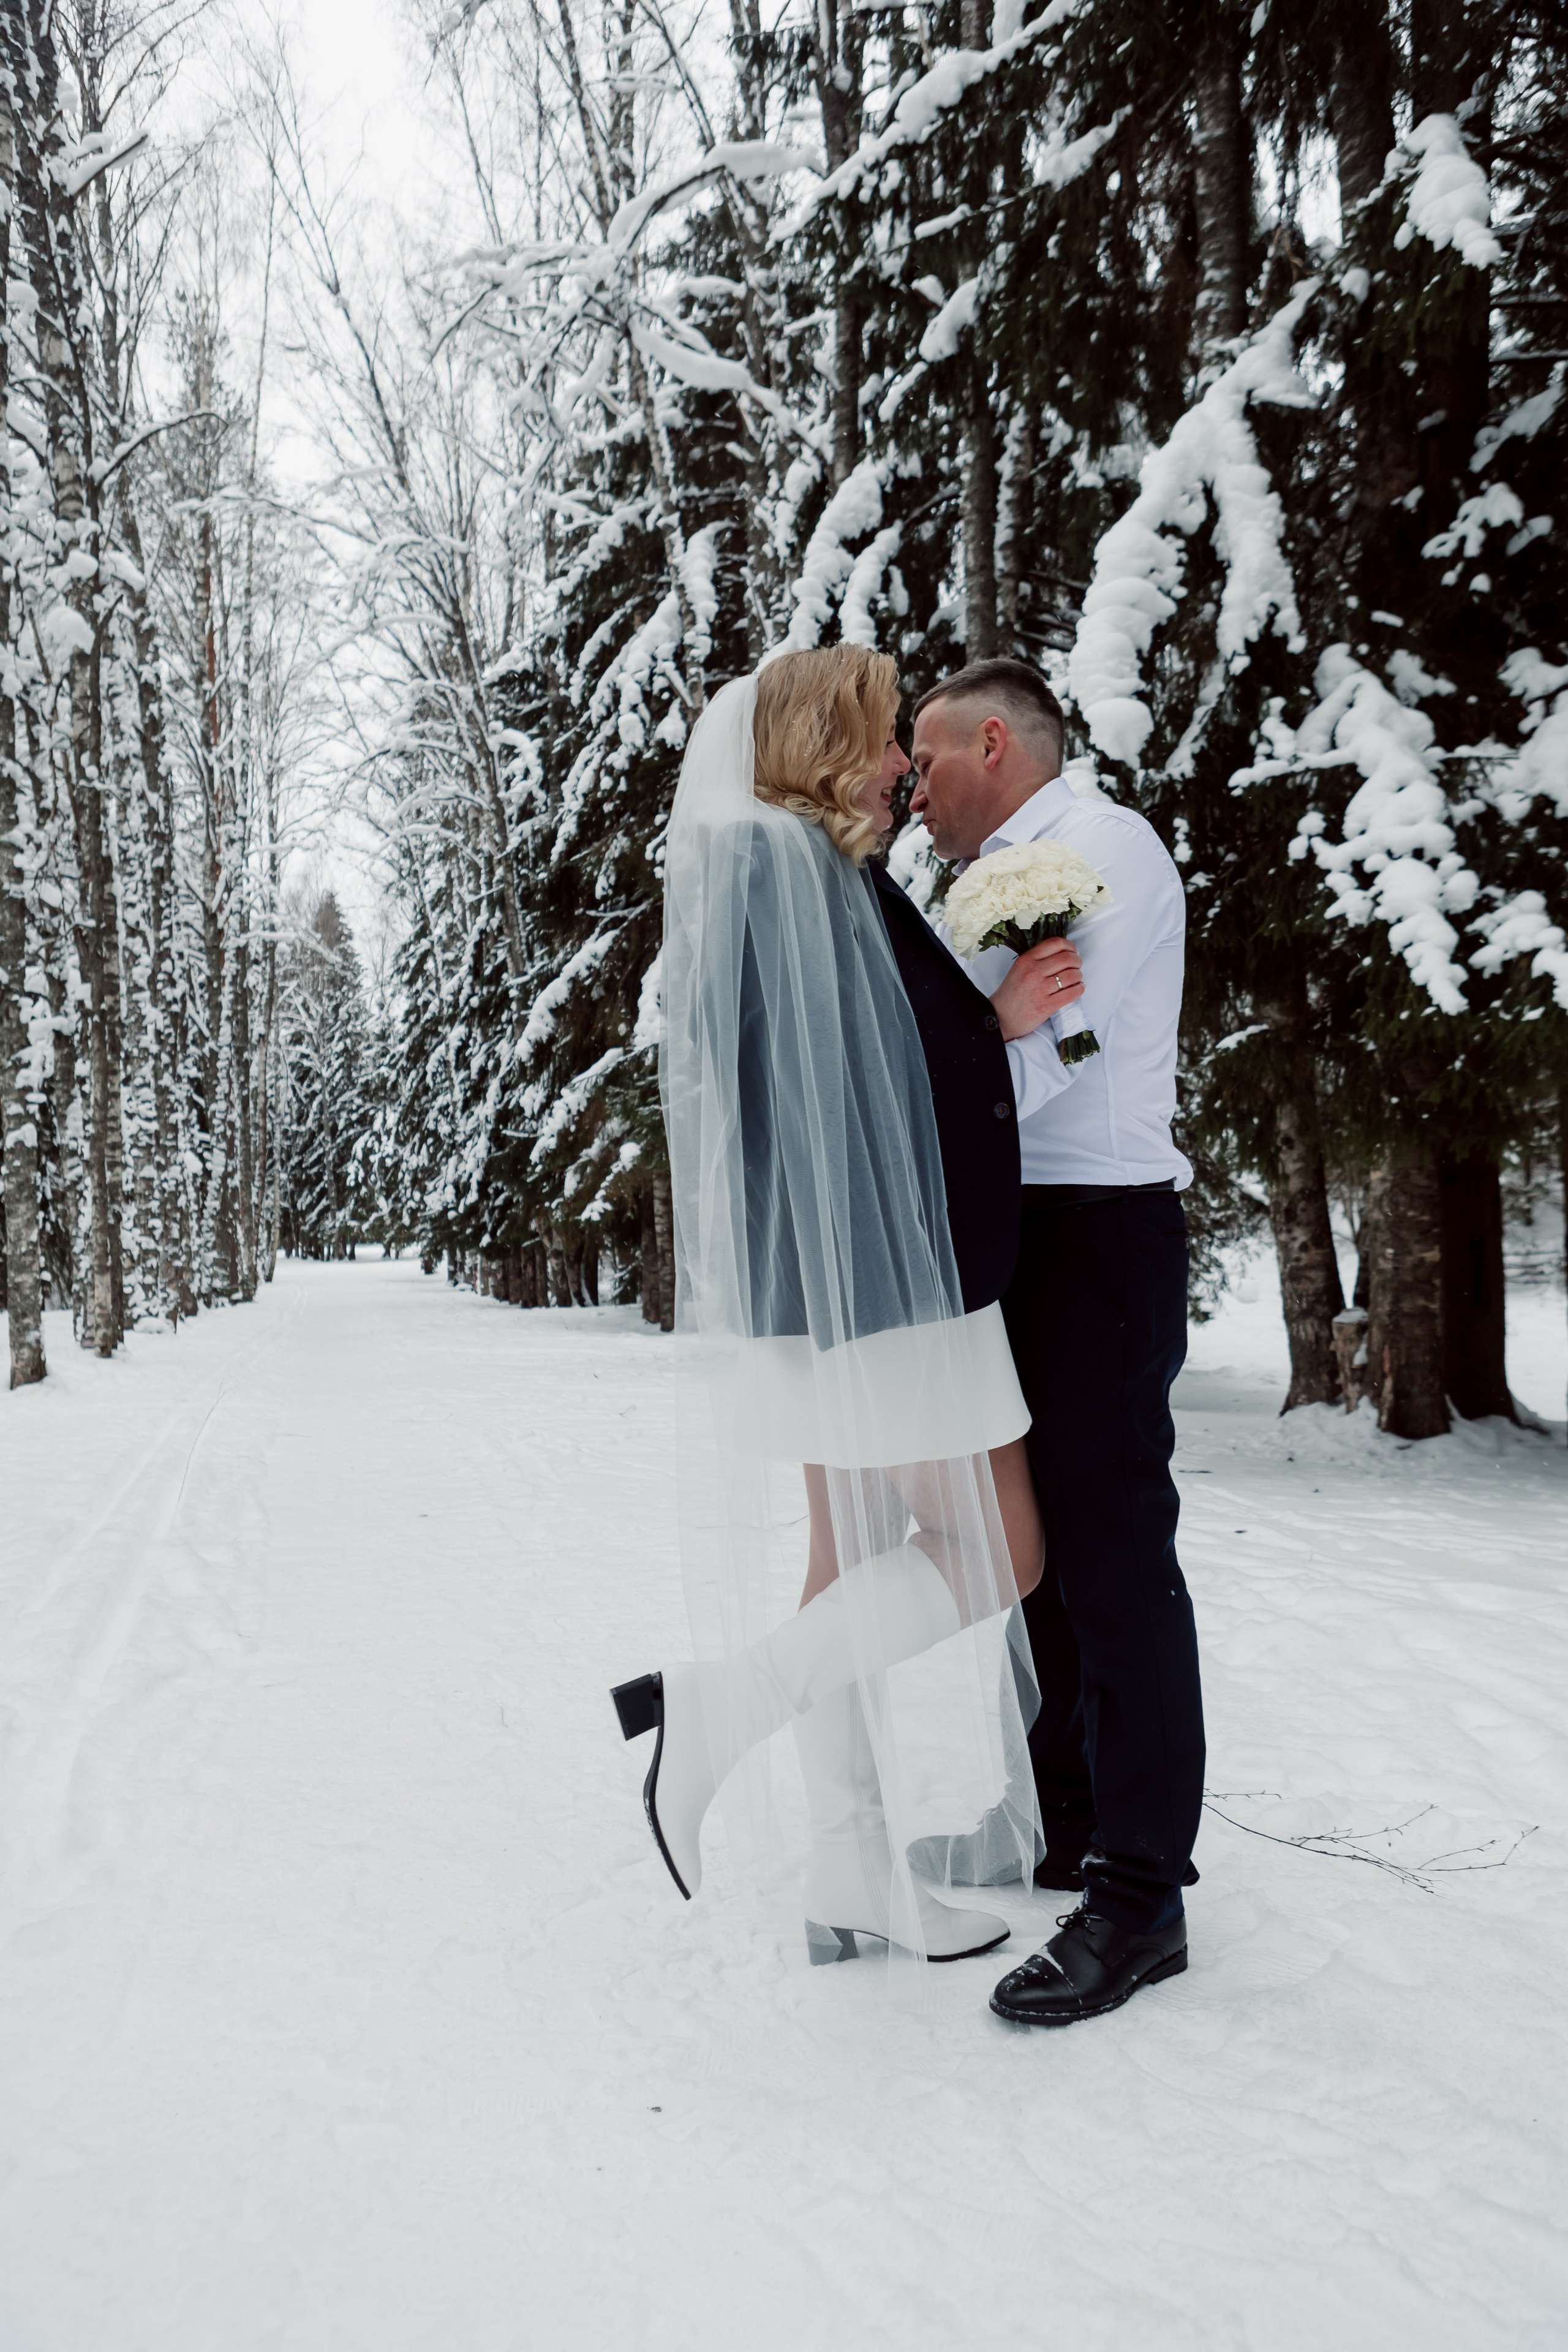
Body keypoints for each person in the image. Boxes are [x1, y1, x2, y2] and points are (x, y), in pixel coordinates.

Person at [611, 647, 1083, 1967]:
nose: (896, 766)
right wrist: (991, 1025)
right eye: (883, 738)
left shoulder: (792, 869)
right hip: (891, 1287)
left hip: (834, 1290)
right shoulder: (797, 874)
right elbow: (865, 1084)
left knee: (845, 1565)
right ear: (824, 742)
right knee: (999, 1547)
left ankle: (850, 1868)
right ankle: (714, 1710)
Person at [905, 657, 1203, 2027]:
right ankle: (1059, 1813)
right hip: (1016, 1238)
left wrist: (972, 1054)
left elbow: (1062, 1053)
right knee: (1035, 1557)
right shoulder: (977, 883)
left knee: (1111, 1556)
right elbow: (982, 1045)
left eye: (925, 757)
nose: (913, 787)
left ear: (993, 741)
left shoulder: (1105, 851)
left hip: (1099, 1237)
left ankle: (1141, 1894)